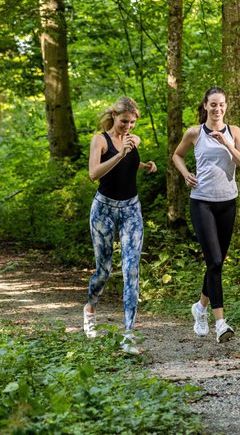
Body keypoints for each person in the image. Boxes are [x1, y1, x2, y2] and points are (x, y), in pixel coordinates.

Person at [172, 87, 240, 343]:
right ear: (205, 106)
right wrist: (185, 173)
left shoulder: (235, 132)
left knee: (216, 262)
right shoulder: (194, 133)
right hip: (202, 203)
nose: (217, 109)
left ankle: (200, 307)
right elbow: (177, 155)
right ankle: (220, 323)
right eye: (213, 105)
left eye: (221, 105)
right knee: (215, 261)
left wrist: (227, 143)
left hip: (228, 203)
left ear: (226, 107)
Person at [83, 96, 157, 355]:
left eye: (133, 123)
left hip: (130, 210)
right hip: (103, 208)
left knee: (131, 270)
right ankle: (90, 310)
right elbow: (94, 174)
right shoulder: (99, 140)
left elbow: (130, 164)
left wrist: (145, 165)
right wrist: (122, 153)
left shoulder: (133, 141)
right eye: (124, 121)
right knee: (103, 270)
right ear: (114, 117)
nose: (128, 127)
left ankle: (128, 335)